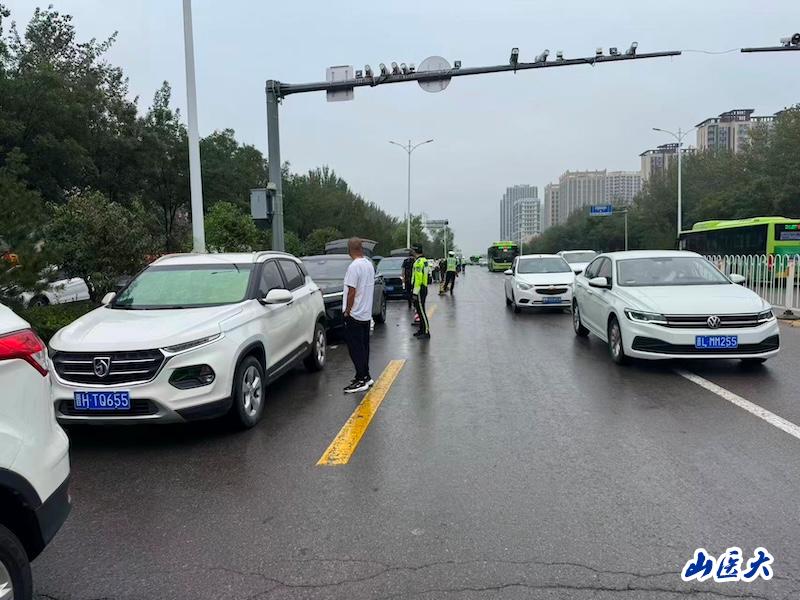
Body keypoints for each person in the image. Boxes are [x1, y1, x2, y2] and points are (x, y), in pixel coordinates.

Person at [342, 238, 375, 393]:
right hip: (366, 313)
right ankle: (365, 376)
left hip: (354, 314)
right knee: (364, 347)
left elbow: (351, 291)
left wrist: (347, 311)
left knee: (355, 349)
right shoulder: (368, 264)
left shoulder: (354, 267)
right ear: (361, 248)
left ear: (349, 250)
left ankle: (361, 379)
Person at [411, 245, 430, 339]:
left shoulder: (418, 262)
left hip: (419, 289)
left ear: (415, 251)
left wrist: (415, 292)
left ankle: (426, 331)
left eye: (412, 250)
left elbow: (418, 279)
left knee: (421, 311)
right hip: (423, 287)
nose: (412, 252)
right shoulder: (424, 260)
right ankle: (422, 330)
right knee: (419, 310)